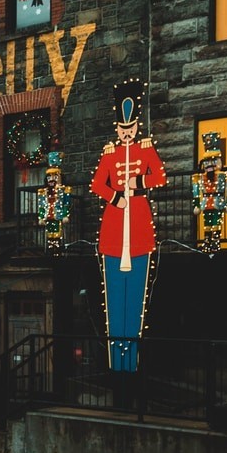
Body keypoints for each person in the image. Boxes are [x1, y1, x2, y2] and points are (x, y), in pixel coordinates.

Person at [88, 78, 167, 372]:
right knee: (114, 302)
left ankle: (130, 363)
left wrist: (138, 182)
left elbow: (159, 176)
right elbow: (97, 183)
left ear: (136, 128)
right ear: (117, 129)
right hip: (113, 227)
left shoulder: (145, 149)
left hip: (139, 228)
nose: (126, 134)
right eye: (122, 130)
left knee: (135, 301)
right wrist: (114, 197)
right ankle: (116, 363)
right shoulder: (110, 154)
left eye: (130, 130)